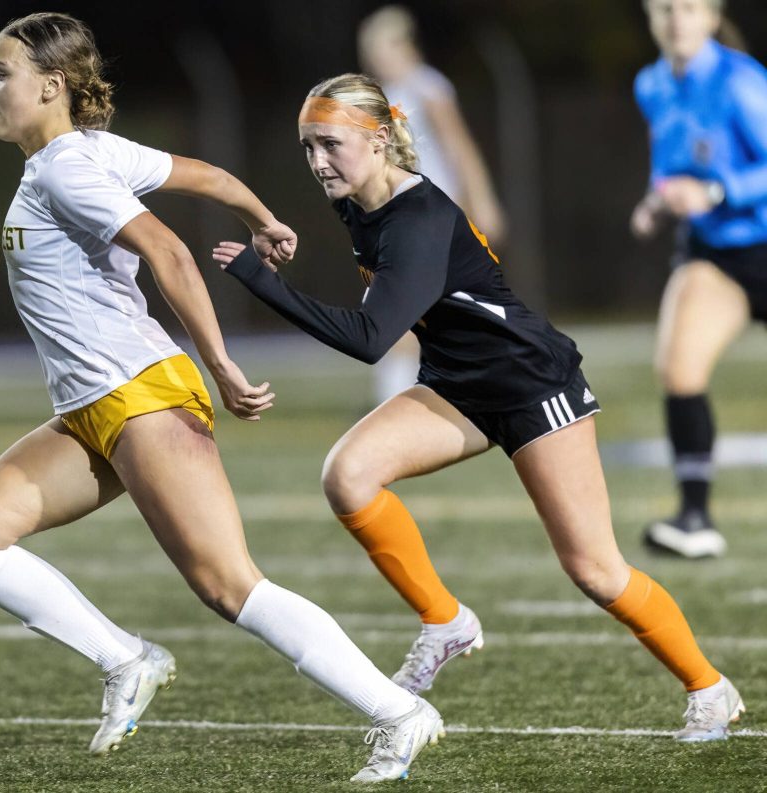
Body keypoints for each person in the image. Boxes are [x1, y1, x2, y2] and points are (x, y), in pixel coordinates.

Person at [0, 12, 442, 784]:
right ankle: (127, 658)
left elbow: (168, 249)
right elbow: (205, 176)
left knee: (228, 584)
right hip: (90, 414)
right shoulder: (86, 154)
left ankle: (399, 712)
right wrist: (261, 214)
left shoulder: (69, 168)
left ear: (51, 86)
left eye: (0, 74)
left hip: (142, 398)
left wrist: (221, 361)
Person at [214, 72, 744, 741]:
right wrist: (270, 231)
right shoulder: (358, 199)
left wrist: (264, 282)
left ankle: (709, 687)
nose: (317, 161)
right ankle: (445, 621)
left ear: (378, 142)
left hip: (530, 384)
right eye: (307, 147)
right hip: (458, 384)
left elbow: (372, 339)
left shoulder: (418, 218)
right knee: (347, 474)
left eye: (330, 144)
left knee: (596, 570)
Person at [630, 0, 767, 559]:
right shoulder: (652, 83)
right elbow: (669, 161)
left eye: (688, 7)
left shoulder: (741, 80)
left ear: (712, 16)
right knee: (679, 368)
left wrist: (714, 192)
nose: (676, 19)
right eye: (664, 8)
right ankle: (694, 518)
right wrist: (656, 201)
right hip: (716, 254)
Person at [357, 4, 507, 406]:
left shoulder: (428, 86)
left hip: (434, 215)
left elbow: (459, 148)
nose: (374, 58)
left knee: (399, 309)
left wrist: (484, 201)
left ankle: (398, 406)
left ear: (404, 46)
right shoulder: (385, 95)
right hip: (404, 217)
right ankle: (426, 398)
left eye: (380, 48)